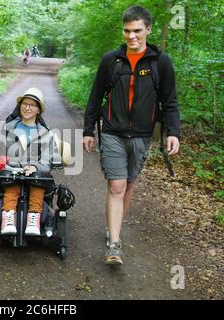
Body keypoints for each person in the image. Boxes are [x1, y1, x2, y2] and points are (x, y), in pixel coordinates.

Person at [83, 6, 180, 265]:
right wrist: (88, 130)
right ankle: (114, 243)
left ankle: (114, 228)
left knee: (129, 185)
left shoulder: (161, 62)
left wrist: (173, 132)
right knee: (117, 185)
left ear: (148, 29)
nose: (131, 36)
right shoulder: (111, 61)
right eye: (127, 31)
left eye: (137, 30)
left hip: (142, 134)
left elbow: (169, 101)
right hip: (113, 131)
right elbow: (95, 97)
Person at [0, 88, 60, 236]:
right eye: (24, 104)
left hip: (34, 173)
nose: (27, 107)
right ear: (19, 106)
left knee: (38, 184)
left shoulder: (47, 134)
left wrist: (34, 166)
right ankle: (8, 217)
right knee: (11, 185)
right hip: (11, 171)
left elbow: (47, 158)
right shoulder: (7, 128)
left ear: (38, 110)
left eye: (32, 105)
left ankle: (34, 218)